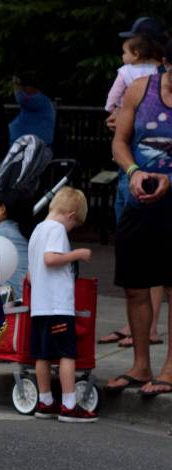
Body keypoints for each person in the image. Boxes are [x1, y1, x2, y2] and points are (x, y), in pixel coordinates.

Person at [106, 41, 172, 398]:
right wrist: (132, 171)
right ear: (164, 63)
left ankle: (170, 368)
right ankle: (141, 364)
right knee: (135, 285)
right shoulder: (139, 90)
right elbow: (120, 142)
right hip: (140, 197)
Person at [99, 21, 166, 348]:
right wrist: (133, 168)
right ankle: (139, 346)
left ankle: (159, 348)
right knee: (135, 273)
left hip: (163, 193)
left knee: (161, 271)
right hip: (135, 185)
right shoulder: (141, 87)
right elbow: (120, 135)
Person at [27, 187, 97, 422]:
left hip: (39, 306)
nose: (71, 229)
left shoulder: (37, 231)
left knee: (43, 355)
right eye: (74, 225)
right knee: (67, 353)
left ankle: (45, 400)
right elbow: (51, 259)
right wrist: (77, 254)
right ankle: (69, 403)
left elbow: (30, 274)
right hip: (57, 306)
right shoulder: (57, 229)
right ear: (70, 215)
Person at [0, 189, 30, 301]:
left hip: (9, 298)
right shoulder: (21, 232)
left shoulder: (0, 233)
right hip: (25, 295)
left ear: (2, 209)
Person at [8, 74, 55, 146]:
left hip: (32, 144)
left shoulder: (39, 99)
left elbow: (21, 98)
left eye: (25, 87)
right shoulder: (41, 100)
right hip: (24, 141)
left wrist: (16, 85)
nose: (23, 90)